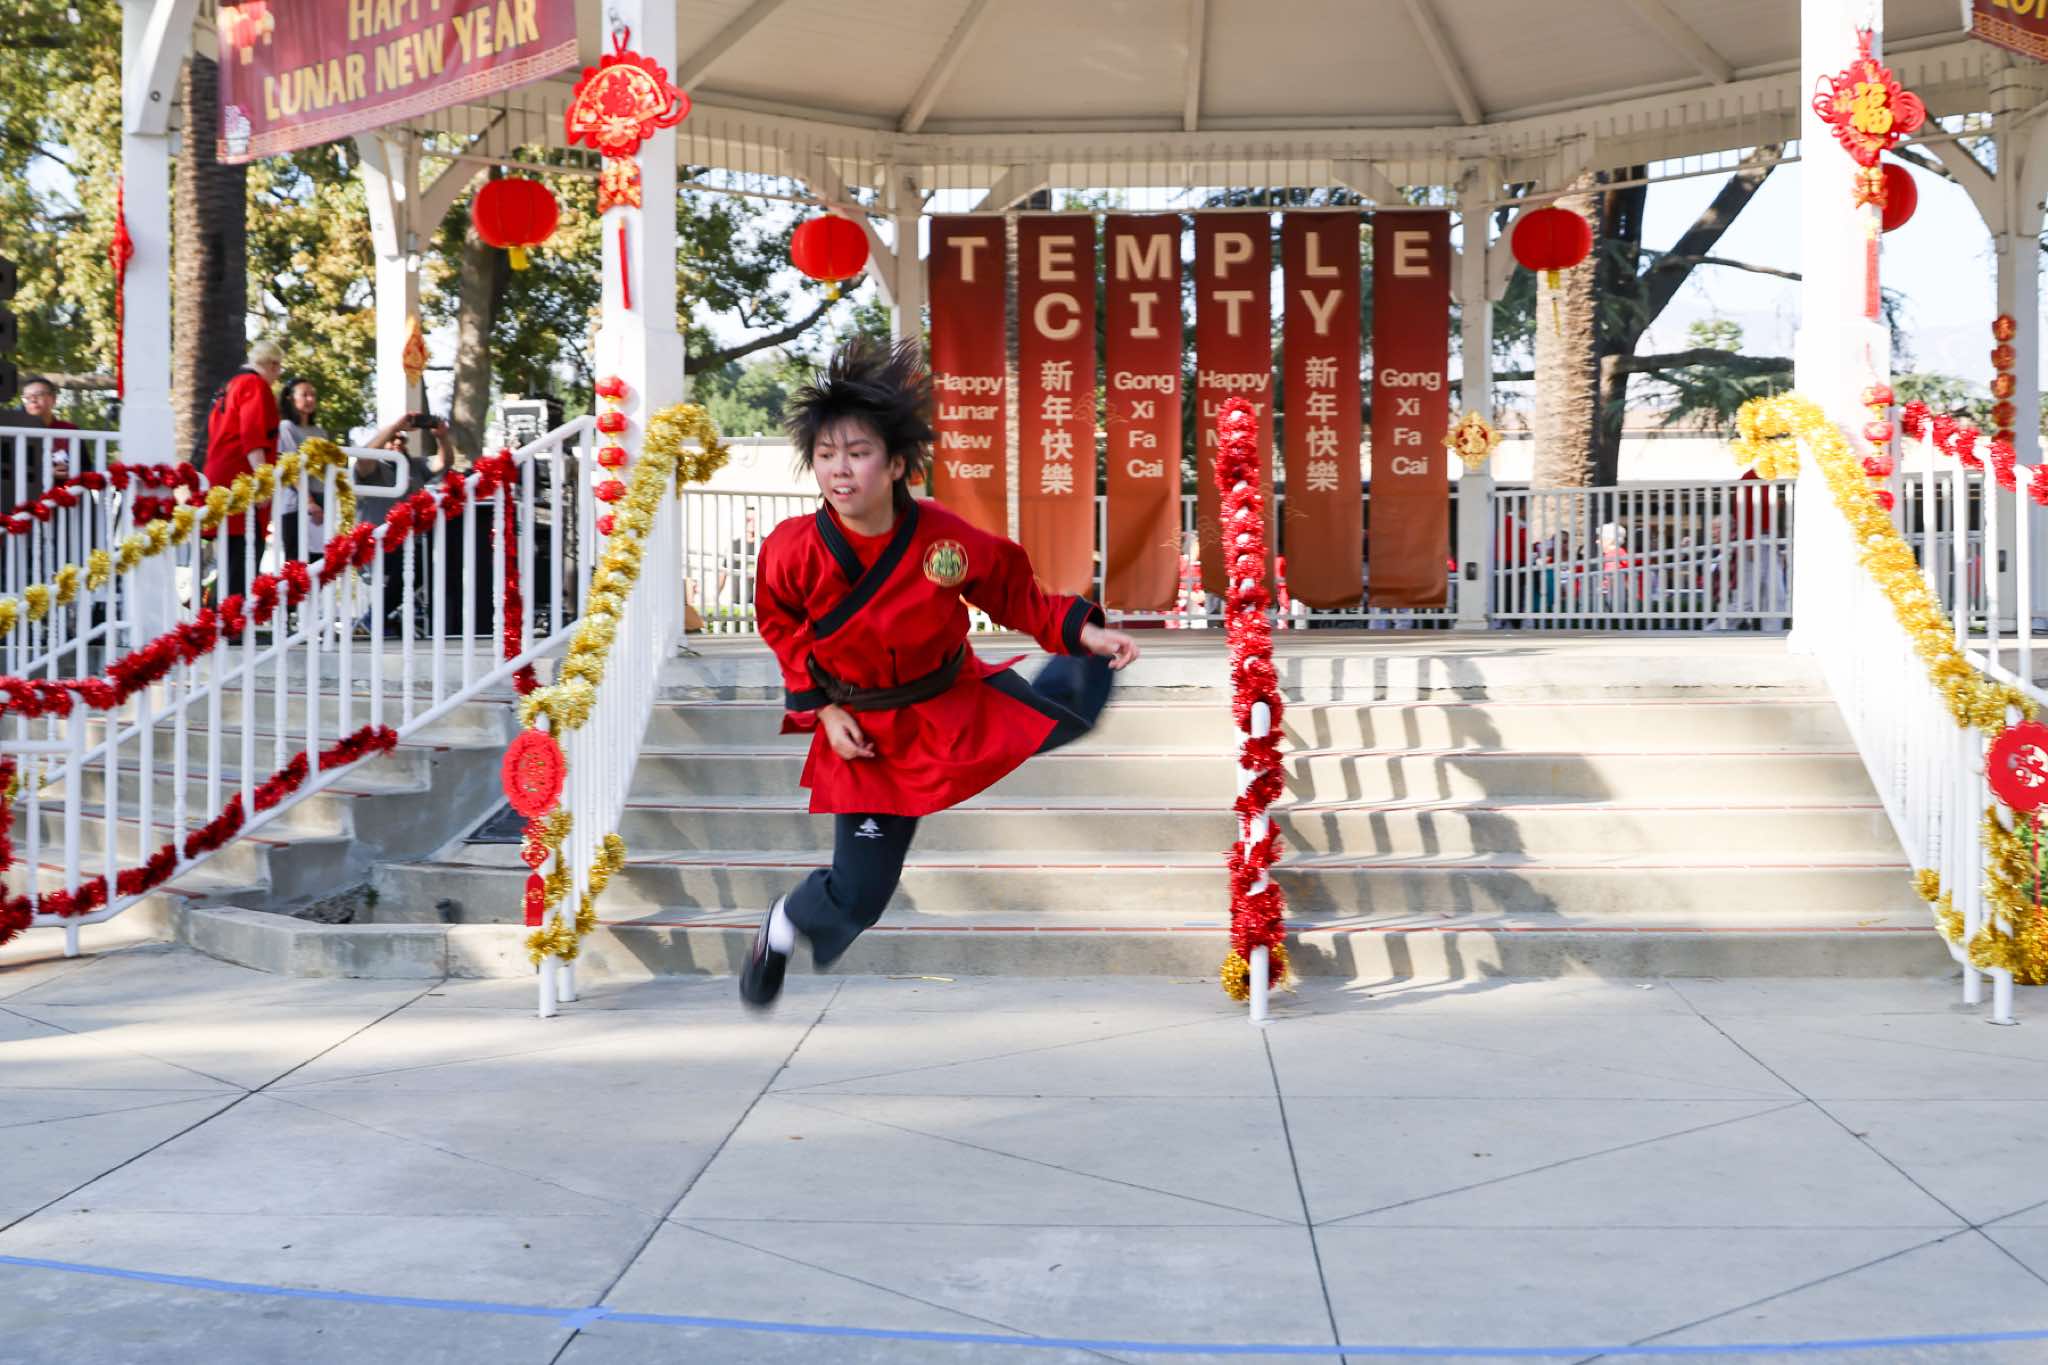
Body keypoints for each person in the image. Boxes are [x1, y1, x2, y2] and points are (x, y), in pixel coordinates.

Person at [740, 340, 1140, 1009]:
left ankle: (1077, 661)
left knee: (1071, 703)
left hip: (950, 699)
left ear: (896, 464)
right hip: (865, 733)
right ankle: (781, 927)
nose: (840, 469)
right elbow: (782, 628)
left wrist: (1084, 632)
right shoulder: (791, 551)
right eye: (826, 454)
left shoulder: (943, 539)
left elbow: (1014, 595)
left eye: (858, 452)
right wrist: (823, 711)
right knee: (860, 895)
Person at [201, 340, 285, 600]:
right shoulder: (254, 386)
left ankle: (218, 615)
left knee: (232, 559)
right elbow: (253, 436)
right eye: (278, 368)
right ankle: (227, 617)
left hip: (221, 476)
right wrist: (263, 483)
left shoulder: (231, 385)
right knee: (243, 559)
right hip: (240, 479)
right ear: (272, 364)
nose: (278, 375)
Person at [1, 375, 79, 511]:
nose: (33, 399)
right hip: (22, 501)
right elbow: (7, 470)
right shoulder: (13, 432)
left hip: (62, 502)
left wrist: (71, 469)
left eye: (39, 394)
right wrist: (46, 472)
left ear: (53, 399)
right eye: (27, 397)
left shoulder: (69, 430)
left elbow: (85, 466)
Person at [274, 377, 329, 565]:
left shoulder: (320, 432)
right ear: (291, 398)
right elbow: (291, 466)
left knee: (319, 564)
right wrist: (309, 501)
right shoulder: (286, 427)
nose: (310, 399)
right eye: (304, 395)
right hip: (297, 503)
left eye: (313, 395)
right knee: (297, 564)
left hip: (322, 499)